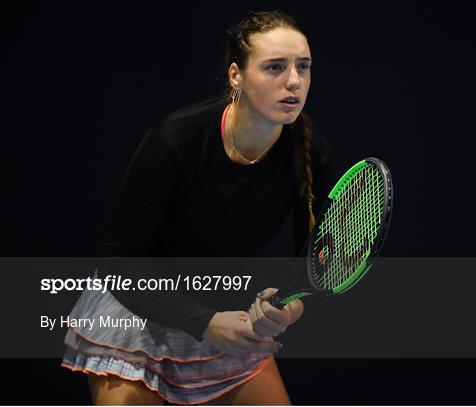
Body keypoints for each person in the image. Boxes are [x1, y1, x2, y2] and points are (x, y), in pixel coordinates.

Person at [61, 10, 338, 405]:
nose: (294, 81)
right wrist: (203, 323)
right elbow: (118, 263)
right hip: (139, 313)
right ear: (235, 76)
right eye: (274, 67)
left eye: (303, 67)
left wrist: (286, 309)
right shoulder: (174, 141)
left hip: (226, 317)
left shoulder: (313, 154)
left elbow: (312, 264)